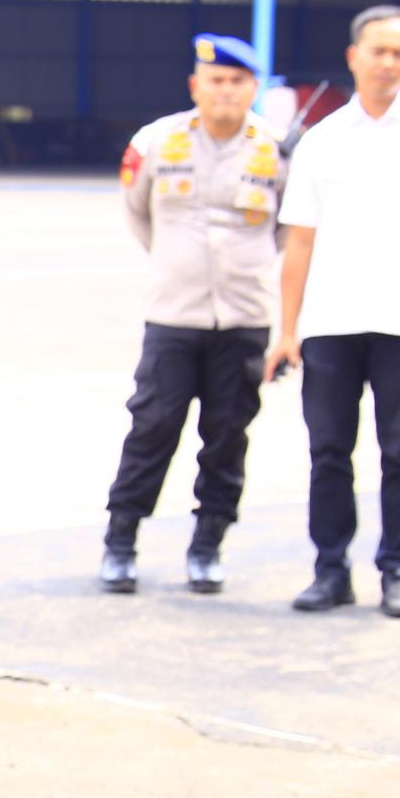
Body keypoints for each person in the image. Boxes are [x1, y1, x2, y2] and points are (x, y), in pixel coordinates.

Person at [265, 5, 400, 617]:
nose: (388, 62)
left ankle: (399, 569)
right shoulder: (322, 139)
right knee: (328, 453)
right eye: (378, 50)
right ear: (353, 56)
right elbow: (299, 241)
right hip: (330, 321)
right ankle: (330, 570)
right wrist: (287, 330)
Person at [98, 34, 284, 594]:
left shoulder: (279, 148)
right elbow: (138, 214)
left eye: (237, 81)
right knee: (153, 426)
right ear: (195, 85)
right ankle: (120, 541)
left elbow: (288, 229)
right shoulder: (156, 141)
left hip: (244, 318)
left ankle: (208, 546)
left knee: (227, 435)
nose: (226, 90)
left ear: (254, 87)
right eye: (216, 80)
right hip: (174, 315)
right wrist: (177, 263)